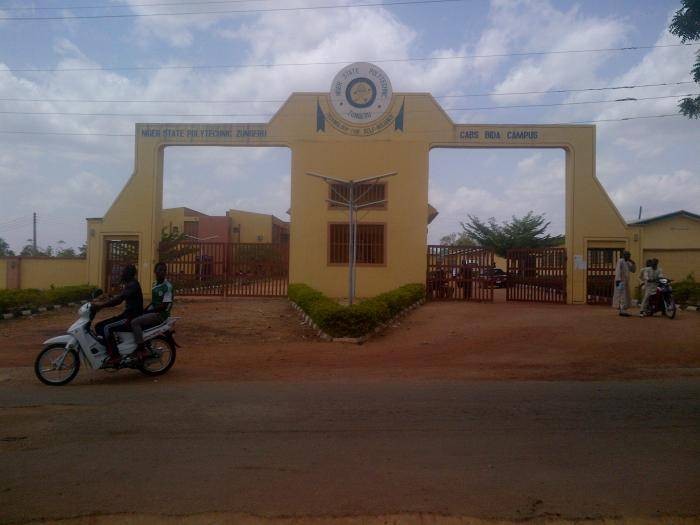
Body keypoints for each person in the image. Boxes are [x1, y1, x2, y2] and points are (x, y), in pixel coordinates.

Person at [92, 264, 144, 366]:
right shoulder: (129, 284)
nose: (122, 274)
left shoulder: (133, 285)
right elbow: (118, 297)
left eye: (124, 272)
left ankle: (115, 356)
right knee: (98, 326)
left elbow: (119, 299)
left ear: (129, 274)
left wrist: (101, 306)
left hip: (131, 317)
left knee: (106, 328)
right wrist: (100, 302)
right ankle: (109, 349)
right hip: (126, 314)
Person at [130, 262, 174, 359]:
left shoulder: (167, 287)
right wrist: (144, 310)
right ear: (155, 272)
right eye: (160, 270)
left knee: (134, 322)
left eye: (164, 270)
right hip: (154, 312)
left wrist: (148, 312)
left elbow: (164, 306)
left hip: (160, 315)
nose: (162, 272)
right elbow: (153, 302)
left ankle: (141, 349)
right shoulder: (154, 284)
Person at [612, 251, 636, 316]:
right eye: (627, 255)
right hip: (620, 281)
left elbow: (633, 270)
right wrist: (618, 280)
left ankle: (623, 310)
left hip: (626, 282)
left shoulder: (628, 262)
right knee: (622, 296)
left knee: (625, 296)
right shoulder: (620, 261)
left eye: (629, 255)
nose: (628, 256)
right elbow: (618, 270)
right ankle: (622, 311)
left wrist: (633, 263)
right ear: (624, 255)